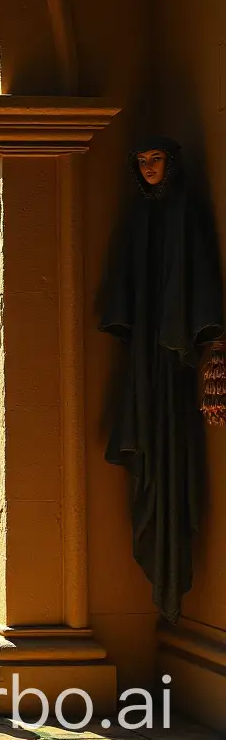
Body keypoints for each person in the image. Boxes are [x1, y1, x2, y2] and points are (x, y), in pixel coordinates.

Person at [98, 137, 223, 623]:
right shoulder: (139, 217)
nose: (149, 168)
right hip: (146, 364)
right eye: (142, 160)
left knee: (171, 448)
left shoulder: (187, 212)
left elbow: (201, 279)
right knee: (146, 448)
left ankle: (173, 568)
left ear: (172, 163)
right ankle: (158, 553)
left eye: (156, 159)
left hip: (175, 361)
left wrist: (195, 334)